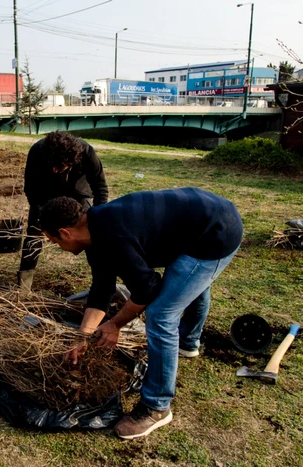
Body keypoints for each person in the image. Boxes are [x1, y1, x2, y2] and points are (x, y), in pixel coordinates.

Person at [39, 187, 243, 440]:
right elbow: (102, 289)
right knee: (189, 284)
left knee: (161, 314)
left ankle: (157, 407)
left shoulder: (114, 237)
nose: (58, 247)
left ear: (65, 232)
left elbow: (147, 290)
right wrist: (82, 337)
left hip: (217, 232)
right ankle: (188, 343)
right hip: (201, 217)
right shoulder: (95, 229)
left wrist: (115, 324)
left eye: (55, 241)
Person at [18, 131, 108, 291]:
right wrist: (41, 214)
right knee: (33, 234)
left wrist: (97, 216)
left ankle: (101, 283)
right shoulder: (37, 151)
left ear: (72, 160)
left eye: (59, 166)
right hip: (46, 195)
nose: (54, 169)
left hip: (78, 194)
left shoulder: (86, 152)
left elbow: (100, 187)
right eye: (51, 165)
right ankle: (24, 284)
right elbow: (31, 189)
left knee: (92, 234)